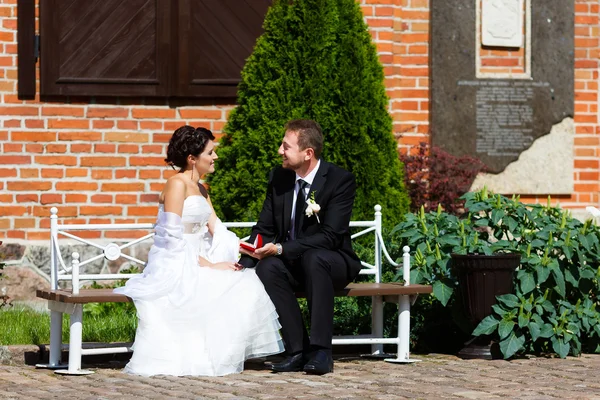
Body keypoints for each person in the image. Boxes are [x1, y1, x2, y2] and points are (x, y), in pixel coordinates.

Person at [114, 126, 284, 377]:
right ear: (192, 159)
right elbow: (170, 238)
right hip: (175, 261)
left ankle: (221, 352)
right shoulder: (176, 184)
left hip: (201, 255)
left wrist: (248, 249)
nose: (215, 157)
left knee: (244, 280)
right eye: (210, 152)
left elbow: (217, 228)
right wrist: (208, 264)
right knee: (214, 283)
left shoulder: (202, 188)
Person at [238, 119, 362, 375]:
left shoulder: (339, 180)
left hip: (333, 262)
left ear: (308, 153)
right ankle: (297, 350)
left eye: (286, 146)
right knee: (268, 268)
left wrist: (282, 249)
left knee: (315, 258)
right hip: (296, 264)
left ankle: (321, 352)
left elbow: (330, 236)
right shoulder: (280, 178)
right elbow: (265, 228)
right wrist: (246, 261)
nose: (279, 151)